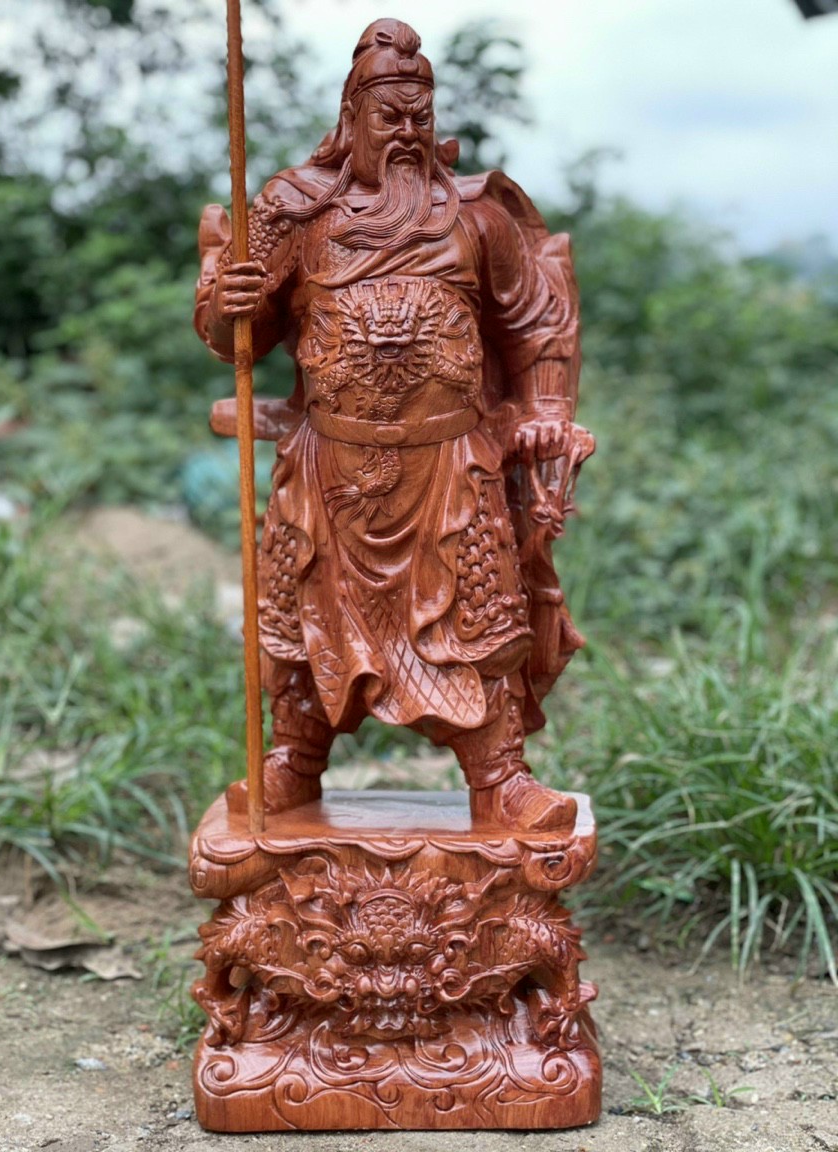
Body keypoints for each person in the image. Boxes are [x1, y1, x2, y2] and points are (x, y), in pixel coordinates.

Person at [194, 19, 592, 831]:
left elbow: (535, 323)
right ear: (352, 119)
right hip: (328, 466)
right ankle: (294, 760)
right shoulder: (294, 209)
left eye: (421, 115)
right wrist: (228, 302)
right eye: (390, 116)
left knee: (477, 619)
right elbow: (238, 337)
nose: (408, 132)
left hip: (450, 464)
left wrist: (547, 410)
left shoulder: (476, 219)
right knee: (301, 620)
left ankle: (501, 777)